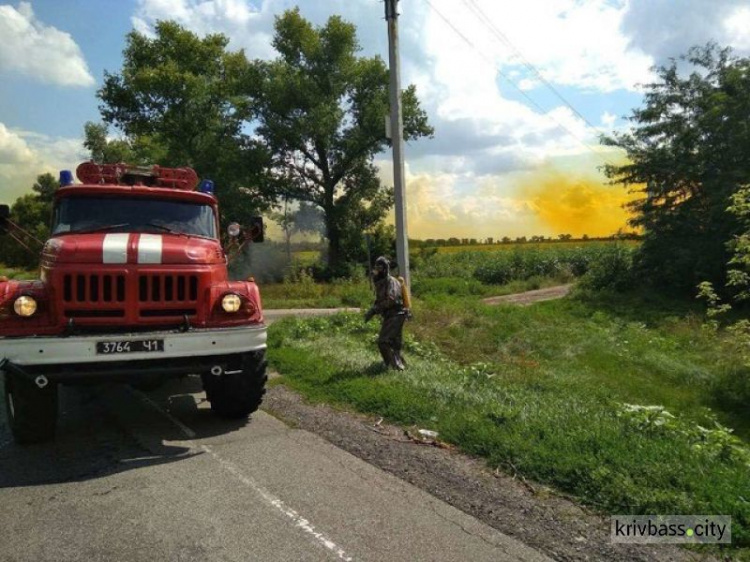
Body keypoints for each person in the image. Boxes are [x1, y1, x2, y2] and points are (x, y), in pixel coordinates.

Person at [364, 256, 408, 370]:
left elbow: (391, 299)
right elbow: (380, 299)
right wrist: (374, 309)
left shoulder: (391, 281)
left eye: (380, 268)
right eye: (376, 267)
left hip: (396, 314)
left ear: (385, 268)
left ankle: (392, 366)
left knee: (383, 342)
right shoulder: (381, 282)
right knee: (393, 343)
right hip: (390, 314)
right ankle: (399, 365)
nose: (377, 270)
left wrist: (374, 310)